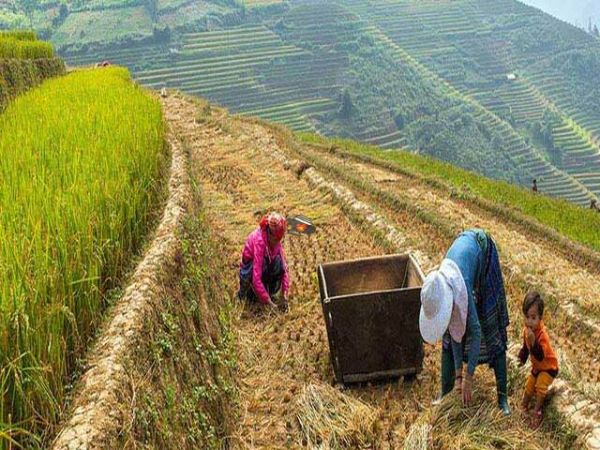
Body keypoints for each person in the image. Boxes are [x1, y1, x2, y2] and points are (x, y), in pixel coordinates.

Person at [419, 228, 511, 415]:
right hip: (466, 262)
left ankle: (502, 399)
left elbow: (475, 332)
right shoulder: (440, 286)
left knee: (491, 328)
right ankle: (445, 392)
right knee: (448, 336)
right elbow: (455, 333)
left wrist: (468, 377)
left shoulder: (462, 287)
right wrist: (458, 375)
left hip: (483, 254)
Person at [518, 292, 558, 428]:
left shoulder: (542, 335)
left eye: (533, 318)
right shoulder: (526, 331)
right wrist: (521, 359)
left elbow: (540, 355)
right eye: (527, 317)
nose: (529, 321)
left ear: (540, 318)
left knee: (540, 386)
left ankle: (537, 411)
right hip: (537, 367)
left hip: (548, 367)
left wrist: (534, 342)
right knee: (529, 385)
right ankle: (524, 405)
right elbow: (525, 348)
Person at [238, 212, 289, 309]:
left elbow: (284, 269)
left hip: (264, 269)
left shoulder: (276, 242)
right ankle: (249, 295)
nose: (277, 243)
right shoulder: (260, 241)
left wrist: (284, 295)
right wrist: (269, 303)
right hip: (249, 270)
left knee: (278, 263)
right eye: (276, 240)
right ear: (270, 235)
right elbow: (256, 278)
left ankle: (267, 292)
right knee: (263, 264)